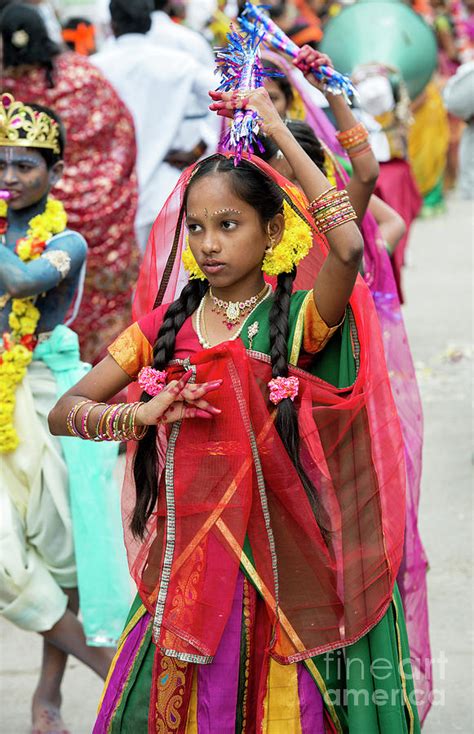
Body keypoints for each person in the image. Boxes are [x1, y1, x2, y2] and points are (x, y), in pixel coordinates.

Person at [49, 82, 421, 731]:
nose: (210, 244)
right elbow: (65, 411)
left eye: (229, 225)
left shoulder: (298, 319)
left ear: (272, 228)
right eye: (196, 228)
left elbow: (349, 246)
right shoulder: (166, 326)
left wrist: (277, 128)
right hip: (193, 560)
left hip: (287, 561)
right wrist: (136, 415)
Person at [0, 94, 130, 734]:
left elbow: (21, 285)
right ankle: (117, 674)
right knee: (3, 560)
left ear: (54, 172)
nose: (9, 178)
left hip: (48, 398)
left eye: (24, 165)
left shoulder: (67, 240)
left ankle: (48, 693)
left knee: (60, 552)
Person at [1, 3, 140, 363]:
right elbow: (120, 141)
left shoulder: (22, 80)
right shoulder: (82, 74)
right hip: (83, 204)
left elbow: (23, 281)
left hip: (68, 218)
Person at [92, 0, 217, 253]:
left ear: (113, 24)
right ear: (149, 22)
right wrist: (202, 145)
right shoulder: (178, 63)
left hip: (111, 190)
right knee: (169, 281)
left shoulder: (95, 68)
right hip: (167, 187)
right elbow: (225, 95)